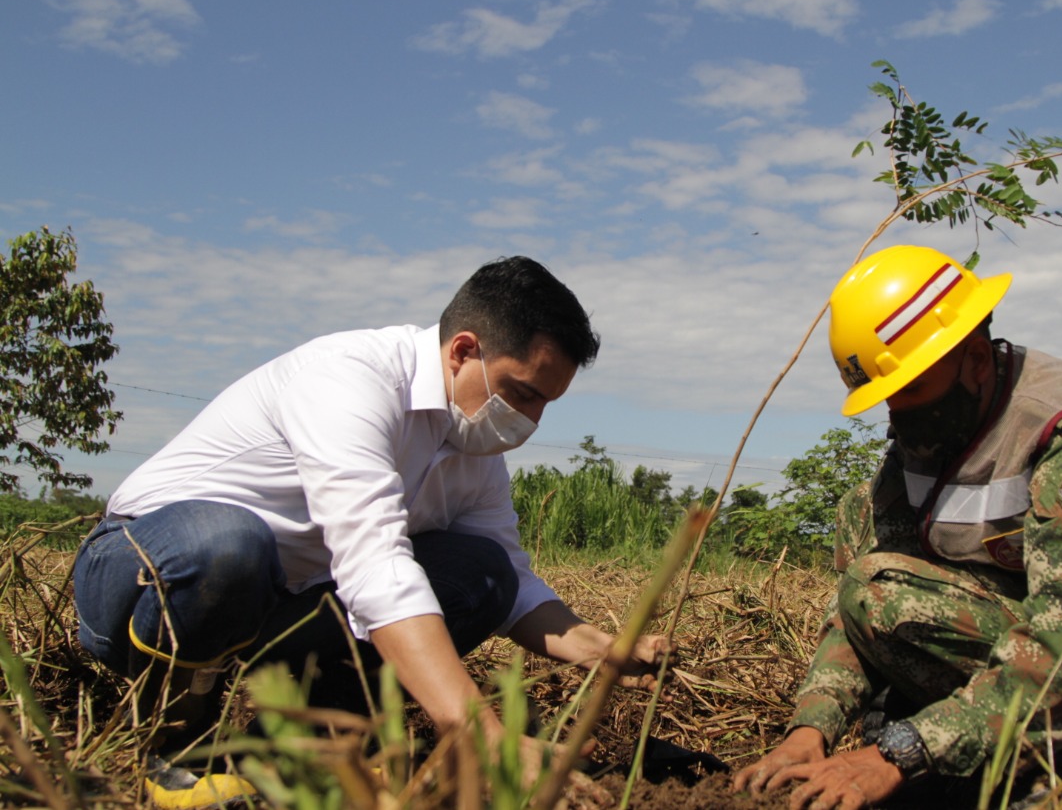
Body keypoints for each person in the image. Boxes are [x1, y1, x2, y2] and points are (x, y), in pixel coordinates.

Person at [74, 256, 670, 809]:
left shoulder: (474, 451)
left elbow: (511, 583)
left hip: (275, 607)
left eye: (546, 404)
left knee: (479, 571)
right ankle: (175, 742)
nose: (530, 421)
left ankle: (288, 748)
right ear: (463, 350)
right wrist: (480, 730)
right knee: (229, 545)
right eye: (522, 393)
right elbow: (373, 564)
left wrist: (601, 648)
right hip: (143, 579)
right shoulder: (348, 381)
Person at [734, 245, 1062, 809]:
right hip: (1034, 652)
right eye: (886, 396)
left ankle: (1054, 770)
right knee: (870, 570)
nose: (898, 412)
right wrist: (811, 728)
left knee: (891, 604)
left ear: (972, 356)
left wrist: (902, 752)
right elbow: (856, 607)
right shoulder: (930, 438)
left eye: (912, 387)